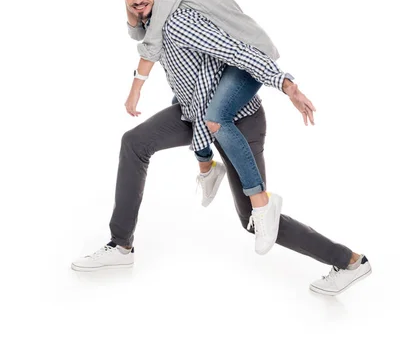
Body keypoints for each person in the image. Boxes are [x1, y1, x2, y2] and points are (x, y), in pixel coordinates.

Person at [124, 0, 315, 253]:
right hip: (231, 60)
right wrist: (132, 11)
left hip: (251, 55)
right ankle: (208, 170)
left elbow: (155, 38)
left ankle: (263, 203)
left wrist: (287, 84)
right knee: (190, 105)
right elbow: (149, 22)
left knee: (213, 117)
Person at [71, 84, 371, 297]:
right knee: (134, 141)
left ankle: (349, 261)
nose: (138, 1)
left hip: (240, 123)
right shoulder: (155, 22)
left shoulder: (197, 12)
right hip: (196, 114)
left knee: (254, 220)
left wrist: (288, 86)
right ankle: (120, 245)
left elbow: (249, 58)